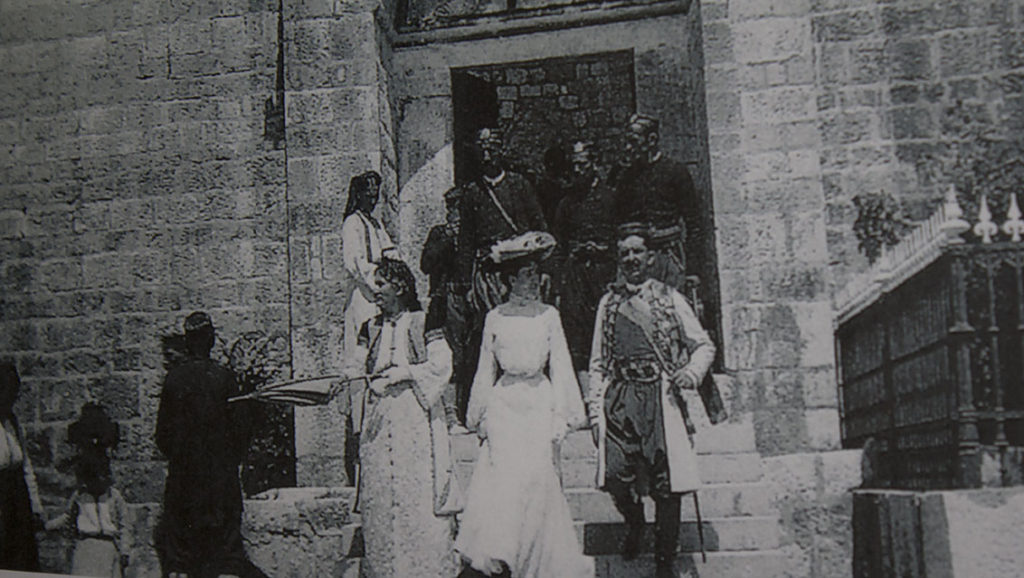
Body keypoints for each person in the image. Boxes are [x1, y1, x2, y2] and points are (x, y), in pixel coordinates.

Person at [455, 231, 592, 578]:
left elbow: (560, 363)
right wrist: (479, 415)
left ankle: (537, 563)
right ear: (511, 280)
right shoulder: (495, 317)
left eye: (535, 273)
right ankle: (505, 555)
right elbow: (485, 366)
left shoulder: (548, 315)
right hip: (505, 405)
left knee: (537, 479)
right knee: (506, 481)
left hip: (537, 401)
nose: (534, 280)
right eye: (526, 274)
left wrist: (563, 415)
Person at [587, 226, 716, 578]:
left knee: (666, 483)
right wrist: (595, 413)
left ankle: (664, 562)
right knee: (615, 475)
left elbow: (704, 345)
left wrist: (691, 373)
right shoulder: (608, 303)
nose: (631, 259)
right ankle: (634, 521)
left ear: (650, 257)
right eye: (625, 253)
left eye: (637, 252)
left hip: (660, 398)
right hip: (620, 398)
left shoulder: (670, 297)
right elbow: (597, 362)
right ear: (619, 260)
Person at [354, 256, 462, 578]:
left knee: (416, 492)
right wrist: (351, 378)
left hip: (414, 417)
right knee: (382, 493)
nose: (376, 291)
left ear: (400, 287)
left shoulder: (422, 321)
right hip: (379, 420)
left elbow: (442, 365)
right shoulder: (370, 328)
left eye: (381, 284)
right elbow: (356, 366)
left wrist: (406, 373)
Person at [155, 311, 258, 578]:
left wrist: (183, 457)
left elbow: (162, 436)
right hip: (220, 484)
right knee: (226, 557)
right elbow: (241, 430)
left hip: (184, 484)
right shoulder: (224, 378)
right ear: (211, 339)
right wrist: (226, 460)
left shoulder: (174, 380)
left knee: (181, 561)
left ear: (187, 342)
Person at [613, 113, 702, 294]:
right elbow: (618, 223)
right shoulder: (625, 177)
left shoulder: (675, 172)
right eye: (627, 142)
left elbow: (694, 224)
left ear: (652, 140)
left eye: (634, 141)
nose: (629, 148)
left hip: (668, 258)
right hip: (636, 259)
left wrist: (693, 270)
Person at [551, 141, 616, 379]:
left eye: (583, 164)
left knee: (607, 327)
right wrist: (558, 285)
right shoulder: (567, 203)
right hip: (576, 275)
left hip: (605, 273)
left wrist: (604, 249)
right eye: (575, 165)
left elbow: (620, 237)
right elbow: (558, 245)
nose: (578, 170)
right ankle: (584, 388)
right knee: (578, 334)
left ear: (595, 164)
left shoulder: (611, 198)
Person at [46, 403, 130, 577]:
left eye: (101, 477)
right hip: (86, 548)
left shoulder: (113, 496)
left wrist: (125, 550)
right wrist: (47, 526)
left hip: (108, 548)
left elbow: (124, 524)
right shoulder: (80, 496)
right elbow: (67, 517)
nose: (97, 482)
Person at [420, 187, 472, 430]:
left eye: (459, 208)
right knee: (449, 358)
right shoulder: (439, 233)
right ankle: (451, 414)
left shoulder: (474, 234)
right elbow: (425, 264)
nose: (455, 213)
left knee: (469, 357)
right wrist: (448, 239)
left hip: (470, 302)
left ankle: (469, 411)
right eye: (451, 208)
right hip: (445, 303)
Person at [0, 362, 43, 572]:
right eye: (8, 393)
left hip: (18, 495)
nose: (12, 400)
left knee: (23, 556)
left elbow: (26, 466)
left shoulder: (13, 422)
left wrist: (35, 505)